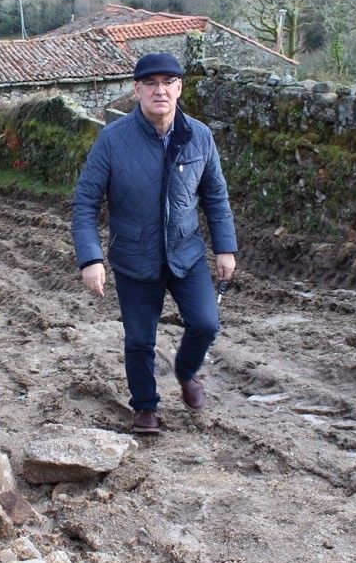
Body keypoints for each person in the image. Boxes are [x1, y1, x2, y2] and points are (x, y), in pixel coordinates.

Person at [71, 51, 238, 434]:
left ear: (179, 88)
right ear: (136, 90)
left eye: (168, 82)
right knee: (139, 339)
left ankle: (185, 372)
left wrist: (225, 248)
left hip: (186, 252)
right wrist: (90, 258)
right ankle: (145, 408)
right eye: (150, 83)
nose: (159, 90)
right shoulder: (112, 140)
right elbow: (85, 203)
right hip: (134, 256)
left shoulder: (199, 136)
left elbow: (215, 196)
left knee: (206, 323)